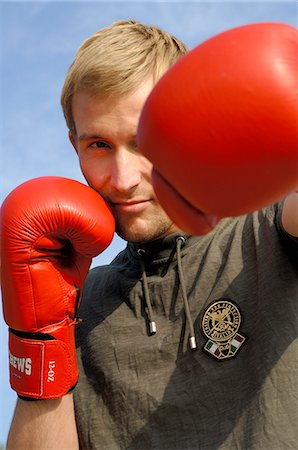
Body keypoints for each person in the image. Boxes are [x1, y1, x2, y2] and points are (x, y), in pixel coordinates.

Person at [3, 19, 298, 450]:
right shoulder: (77, 298)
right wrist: (40, 337)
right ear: (74, 145)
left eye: (143, 141)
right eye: (98, 145)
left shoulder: (268, 229)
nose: (122, 180)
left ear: (190, 125)